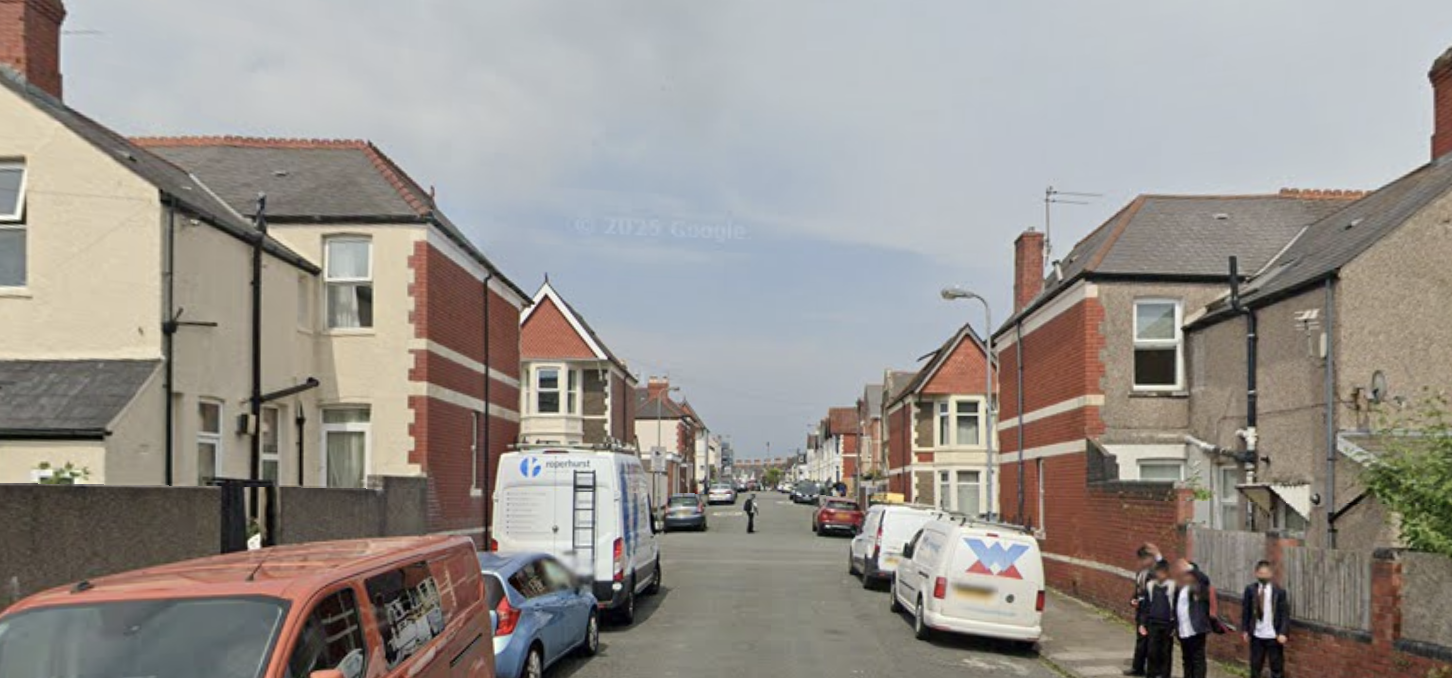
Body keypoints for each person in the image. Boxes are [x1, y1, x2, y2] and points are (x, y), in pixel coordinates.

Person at [1241, 560, 1289, 678]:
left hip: (1273, 636)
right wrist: (1245, 630)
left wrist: (1283, 632)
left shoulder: (1279, 592)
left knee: (1276, 667)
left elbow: (1284, 614)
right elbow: (1246, 611)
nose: (1263, 576)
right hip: (1257, 635)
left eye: (1266, 573)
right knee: (1255, 666)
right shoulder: (1250, 590)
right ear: (1256, 574)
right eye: (1261, 573)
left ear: (1271, 574)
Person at [1126, 543, 1163, 676]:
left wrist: (1158, 555)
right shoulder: (1141, 573)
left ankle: (1153, 669)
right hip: (1141, 611)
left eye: (1144, 559)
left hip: (1151, 612)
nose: (1141, 562)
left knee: (1151, 642)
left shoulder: (1156, 572)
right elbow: (1138, 590)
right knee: (1141, 640)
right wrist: (1133, 599)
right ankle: (1138, 667)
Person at [1175, 559, 1216, 678]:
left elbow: (1204, 579)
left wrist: (1189, 568)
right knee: (1186, 659)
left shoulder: (1199, 588)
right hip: (1183, 630)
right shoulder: (1180, 588)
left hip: (1196, 629)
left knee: (1197, 659)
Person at [1138, 560, 1177, 678]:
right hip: (1153, 623)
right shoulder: (1150, 585)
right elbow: (1146, 606)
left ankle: (1165, 674)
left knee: (1166, 651)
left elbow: (1175, 607)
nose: (1160, 575)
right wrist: (1142, 623)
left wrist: (1175, 625)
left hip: (1167, 623)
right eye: (1158, 572)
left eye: (1162, 573)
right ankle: (1151, 674)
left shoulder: (1173, 586)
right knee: (1152, 651)